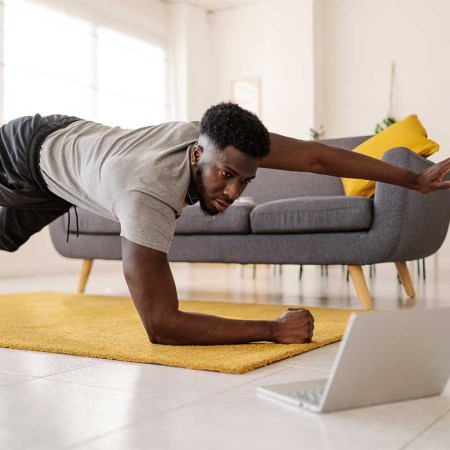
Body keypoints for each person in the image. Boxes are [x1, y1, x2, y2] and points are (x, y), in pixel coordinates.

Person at [1, 103, 450, 346]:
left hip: (69, 147)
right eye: (226, 176)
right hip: (21, 155)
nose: (234, 192)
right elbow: (162, 326)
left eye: (245, 180)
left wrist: (413, 179)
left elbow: (316, 157)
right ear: (197, 155)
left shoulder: (222, 141)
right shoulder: (147, 196)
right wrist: (272, 330)